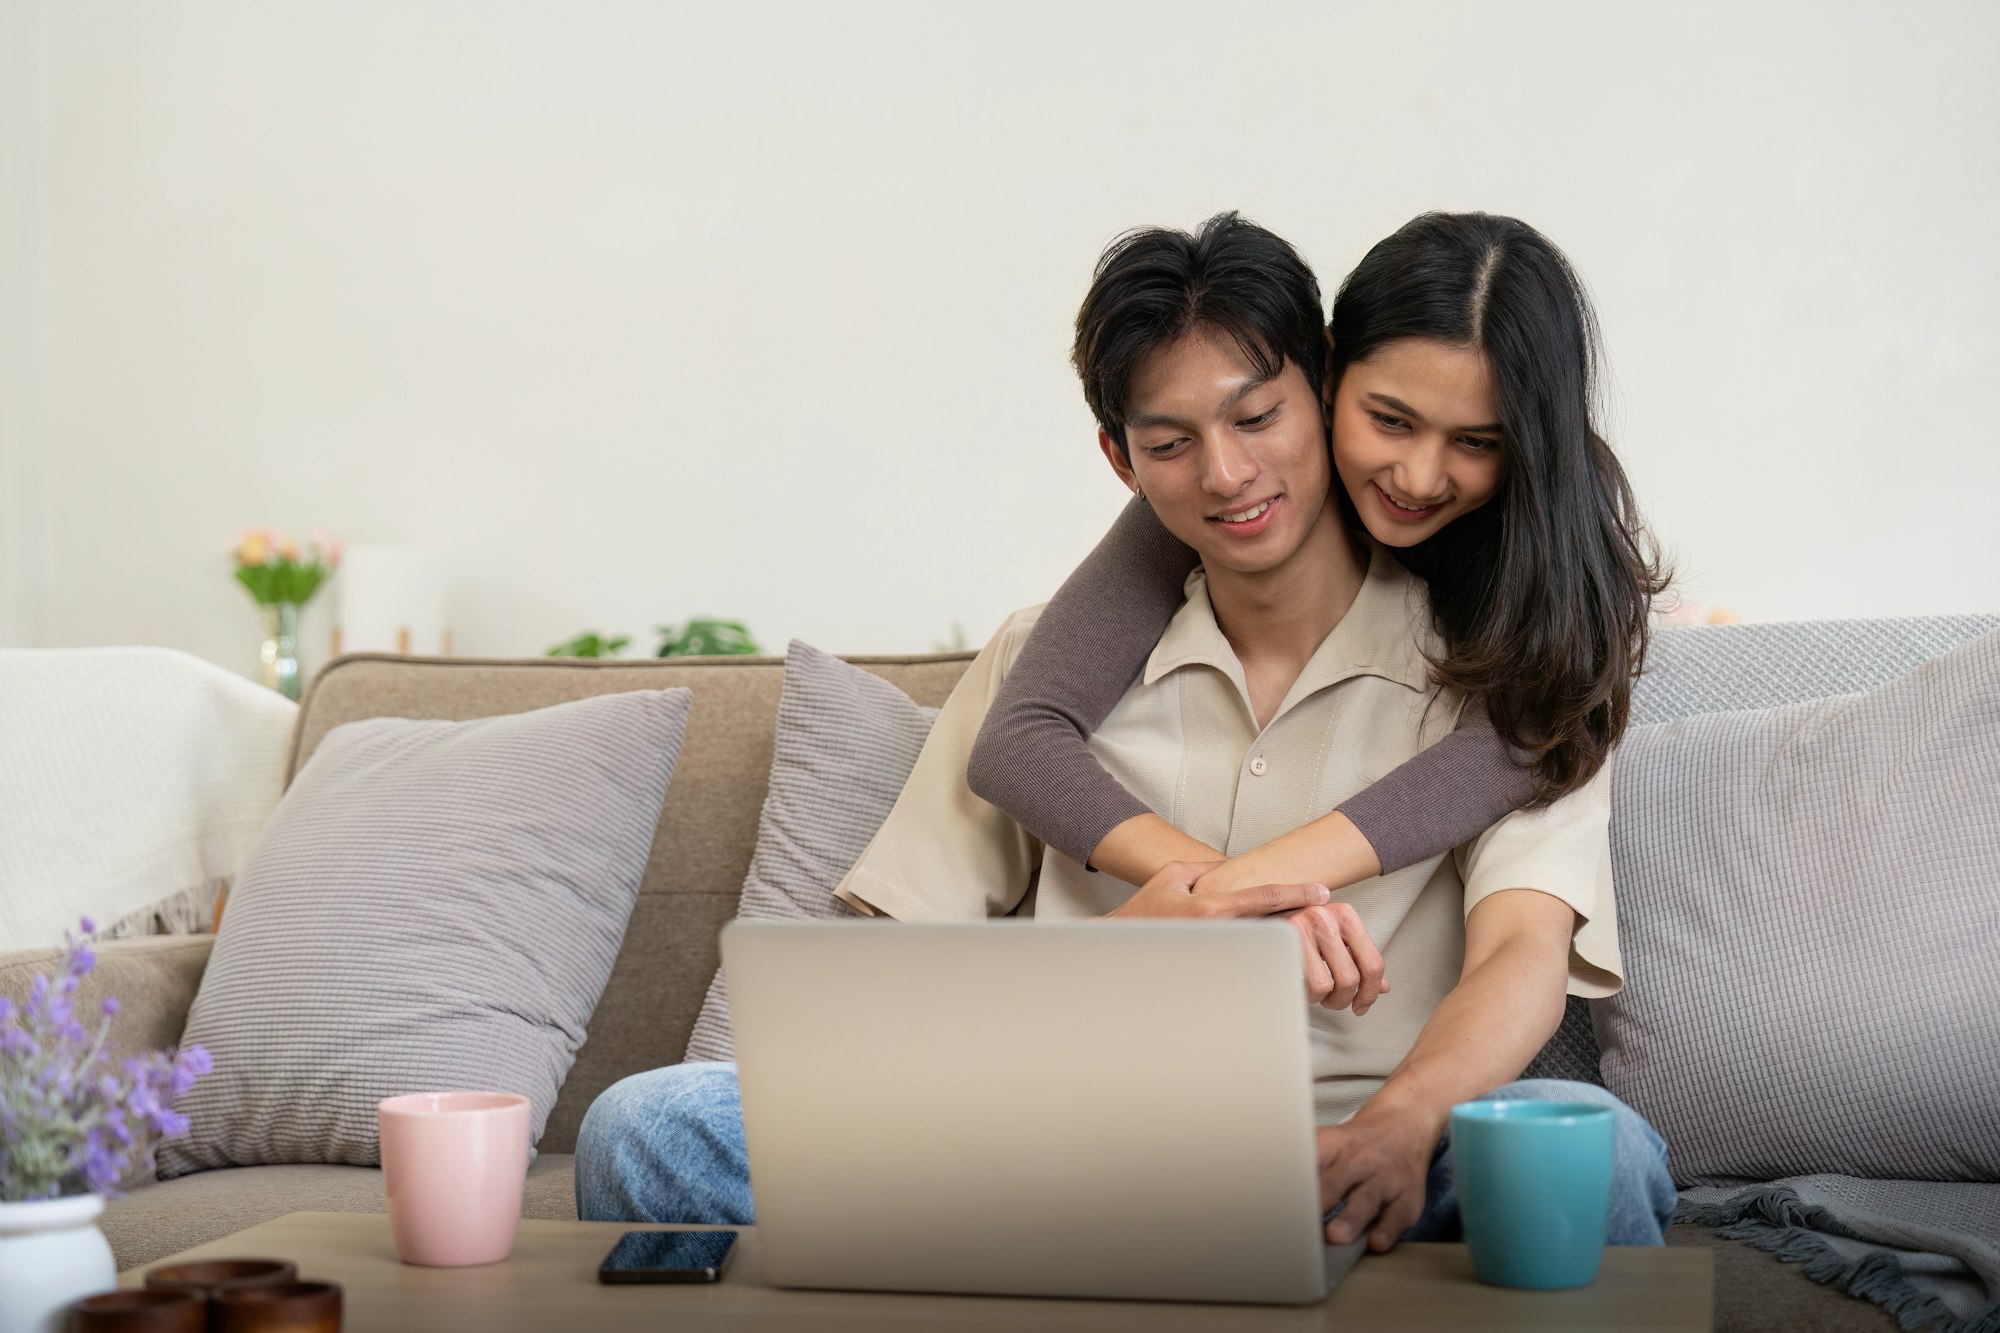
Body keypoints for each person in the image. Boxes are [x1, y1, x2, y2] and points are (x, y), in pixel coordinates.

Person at [575, 212, 1676, 1253]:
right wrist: (1149, 931)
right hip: (1061, 1143)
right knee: (649, 1126)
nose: (1230, 472)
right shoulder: (1041, 661)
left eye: (1255, 419)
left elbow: (1521, 955)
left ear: (1310, 384)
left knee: (1598, 1151)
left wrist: (1398, 1125)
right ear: (1124, 457)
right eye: (1391, 421)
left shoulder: (1523, 668)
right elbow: (896, 978)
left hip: (1359, 1147)